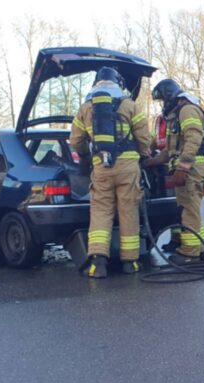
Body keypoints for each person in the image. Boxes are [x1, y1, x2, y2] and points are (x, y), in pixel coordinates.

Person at [68, 67, 152, 278]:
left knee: (100, 212)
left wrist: (85, 156)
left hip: (101, 167)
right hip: (128, 167)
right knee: (128, 211)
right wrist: (144, 155)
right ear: (118, 83)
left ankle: (98, 263)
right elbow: (144, 139)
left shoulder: (86, 107)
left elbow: (75, 141)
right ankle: (130, 263)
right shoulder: (129, 104)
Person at [147, 79, 204, 265]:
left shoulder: (187, 110)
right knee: (191, 210)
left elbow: (193, 140)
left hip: (192, 169)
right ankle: (201, 249)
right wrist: (150, 161)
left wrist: (183, 168)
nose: (162, 104)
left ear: (168, 96)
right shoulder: (177, 114)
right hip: (191, 168)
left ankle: (190, 253)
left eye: (162, 100)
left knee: (188, 211)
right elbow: (170, 150)